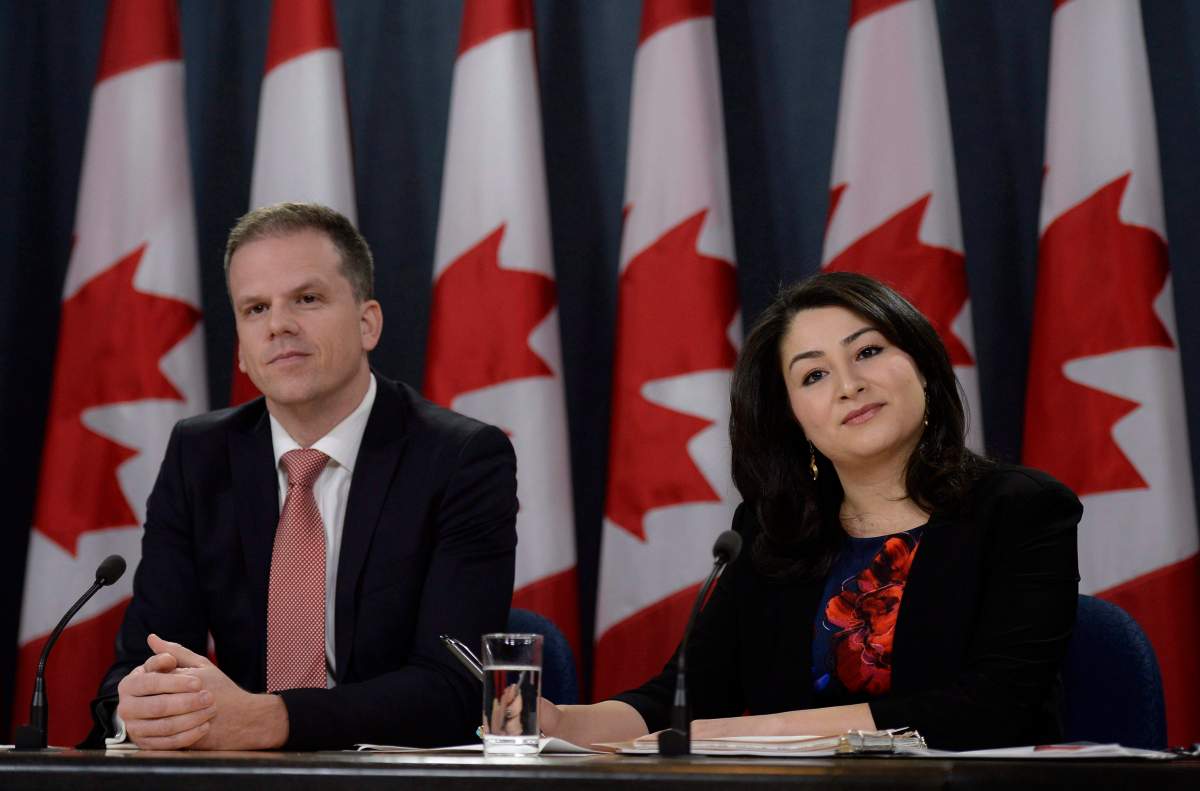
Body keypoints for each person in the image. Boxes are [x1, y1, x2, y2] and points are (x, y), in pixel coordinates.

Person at [542, 272, 1081, 751]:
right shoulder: (772, 532)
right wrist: (560, 722)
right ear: (792, 418)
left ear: (923, 367)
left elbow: (993, 709)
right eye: (814, 376)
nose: (850, 385)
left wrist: (770, 731)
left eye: (868, 351)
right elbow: (687, 697)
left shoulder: (1021, 509)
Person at [85, 202, 518, 750]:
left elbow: (456, 688)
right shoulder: (200, 456)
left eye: (307, 299)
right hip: (235, 776)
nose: (279, 326)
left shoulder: (460, 459)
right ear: (241, 351)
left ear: (367, 323)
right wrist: (138, 711)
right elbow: (145, 658)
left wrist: (273, 719)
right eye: (256, 308)